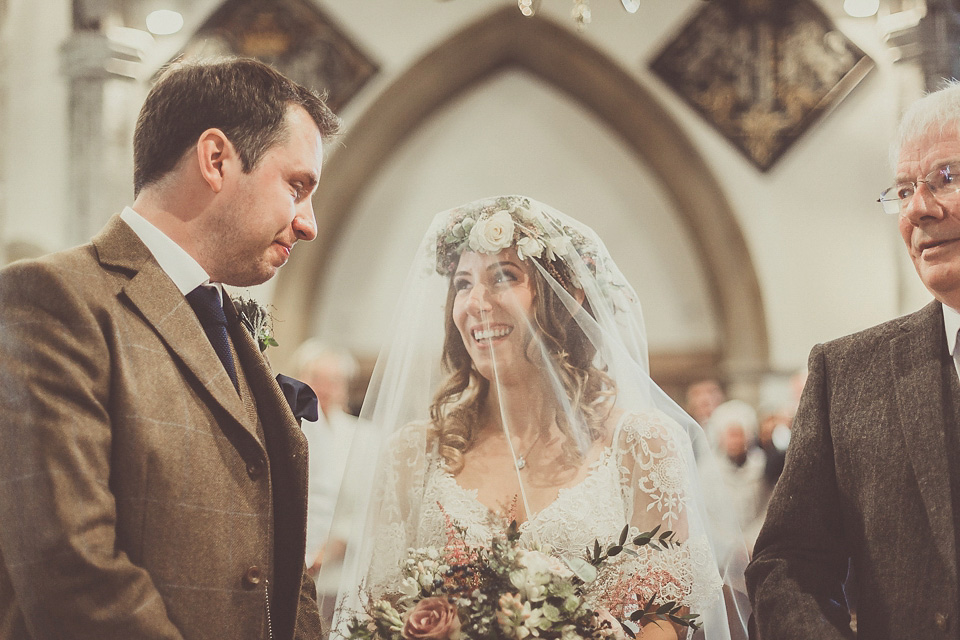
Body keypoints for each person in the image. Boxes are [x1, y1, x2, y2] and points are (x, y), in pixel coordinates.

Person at [0, 57, 340, 639]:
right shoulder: (56, 299)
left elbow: (280, 561)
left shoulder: (227, 323)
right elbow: (70, 564)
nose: (308, 223)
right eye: (297, 186)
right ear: (216, 159)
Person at [321, 196, 749, 639]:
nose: (476, 303)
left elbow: (664, 619)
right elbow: (378, 614)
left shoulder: (642, 444)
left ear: (567, 298)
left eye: (504, 277)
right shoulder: (412, 454)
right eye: (463, 283)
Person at [747, 82, 960, 637]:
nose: (920, 208)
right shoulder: (847, 375)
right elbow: (786, 566)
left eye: (948, 177)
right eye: (903, 189)